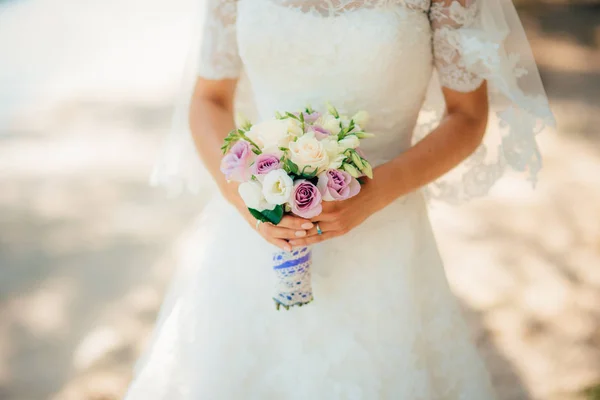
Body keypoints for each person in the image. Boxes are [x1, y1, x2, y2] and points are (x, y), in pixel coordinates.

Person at [125, 0, 554, 398]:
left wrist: (377, 191)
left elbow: (468, 115)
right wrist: (244, 198)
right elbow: (209, 99)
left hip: (385, 244)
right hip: (250, 238)